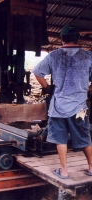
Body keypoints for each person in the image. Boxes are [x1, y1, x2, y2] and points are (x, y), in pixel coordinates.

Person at [32, 24, 92, 179]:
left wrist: (47, 88)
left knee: (60, 138)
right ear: (78, 38)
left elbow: (37, 72)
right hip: (79, 107)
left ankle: (64, 171)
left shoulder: (54, 56)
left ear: (62, 39)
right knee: (84, 137)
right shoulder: (88, 56)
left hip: (58, 107)